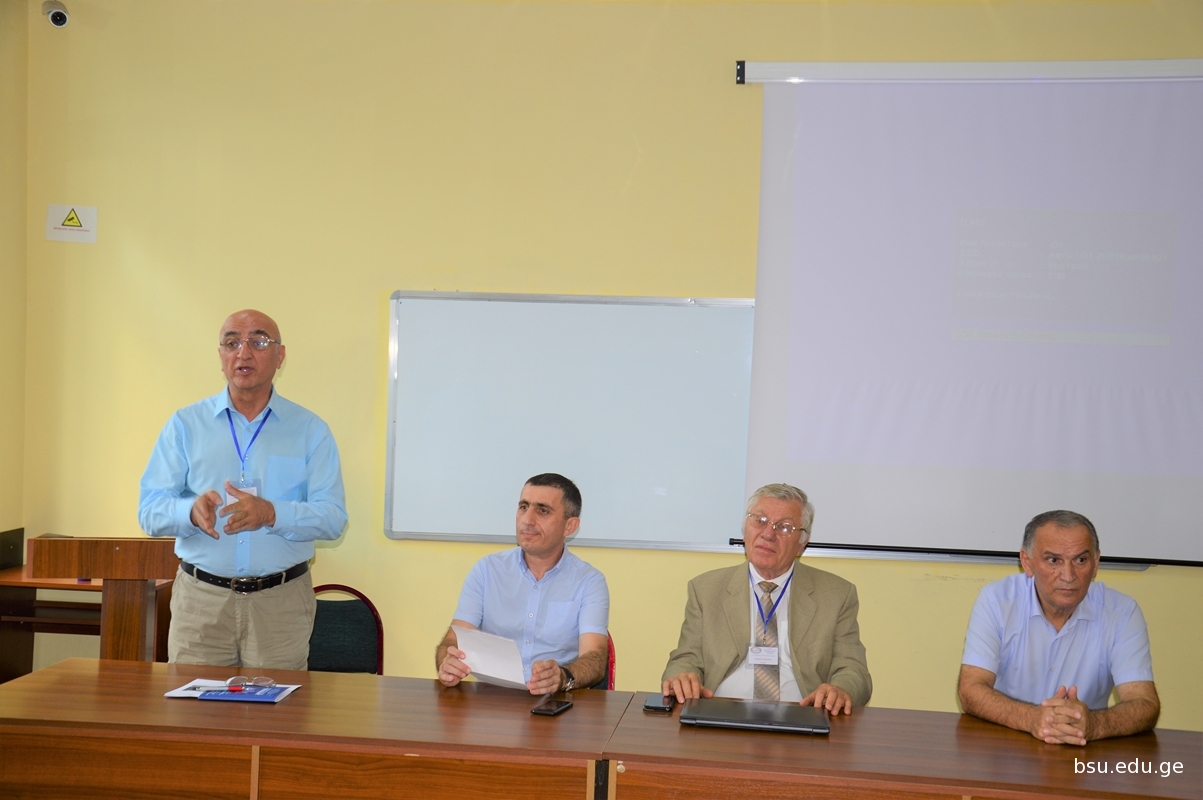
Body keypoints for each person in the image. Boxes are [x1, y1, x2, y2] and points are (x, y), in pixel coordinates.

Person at [138, 309, 347, 669]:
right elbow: (150, 510)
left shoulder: (310, 430)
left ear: (280, 356)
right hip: (201, 603)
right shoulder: (185, 425)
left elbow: (333, 518)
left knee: (279, 706)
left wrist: (272, 513)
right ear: (220, 355)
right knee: (193, 703)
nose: (243, 352)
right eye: (232, 342)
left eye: (258, 342)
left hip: (280, 605)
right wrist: (189, 512)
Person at [661, 484, 871, 713]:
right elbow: (686, 658)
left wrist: (841, 689)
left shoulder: (837, 595)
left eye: (784, 527)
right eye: (760, 521)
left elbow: (853, 670)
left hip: (801, 716)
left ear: (802, 543)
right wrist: (681, 676)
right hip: (720, 714)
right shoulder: (706, 589)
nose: (768, 534)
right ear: (745, 529)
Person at [958, 510, 1159, 745]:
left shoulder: (1122, 613)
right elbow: (970, 689)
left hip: (1083, 752)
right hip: (1007, 745)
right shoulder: (997, 602)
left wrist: (1095, 725)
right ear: (1027, 562)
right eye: (1053, 560)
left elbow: (1145, 704)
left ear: (1096, 563)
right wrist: (1031, 718)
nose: (1068, 575)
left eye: (1080, 560)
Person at [436, 473, 609, 695]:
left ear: (570, 526)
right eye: (523, 507)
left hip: (555, 702)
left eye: (542, 510)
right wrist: (447, 662)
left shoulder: (589, 581)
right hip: (491, 699)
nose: (527, 520)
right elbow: (453, 640)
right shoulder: (487, 571)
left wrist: (562, 677)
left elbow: (595, 659)